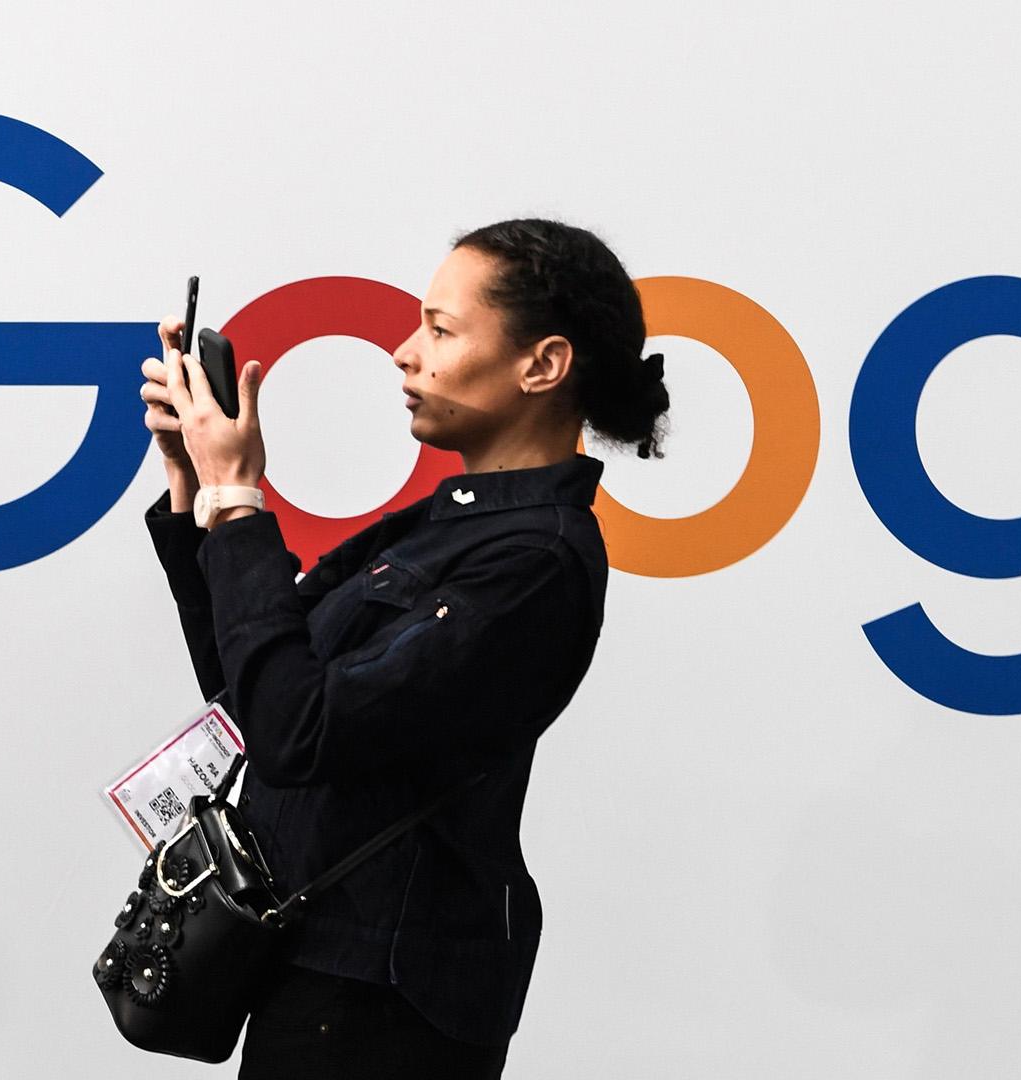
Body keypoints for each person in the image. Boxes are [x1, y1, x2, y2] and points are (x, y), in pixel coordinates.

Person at [137, 218, 671, 1078]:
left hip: (383, 1007)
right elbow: (255, 696)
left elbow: (297, 731)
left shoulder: (535, 563)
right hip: (313, 975)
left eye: (440, 329)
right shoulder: (444, 526)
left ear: (544, 365)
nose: (403, 351)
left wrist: (241, 500)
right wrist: (198, 493)